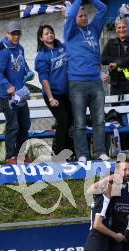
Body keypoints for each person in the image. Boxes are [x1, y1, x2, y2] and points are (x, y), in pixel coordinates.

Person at [64, 0, 109, 163]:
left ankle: (100, 152)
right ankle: (82, 153)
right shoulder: (70, 32)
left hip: (95, 82)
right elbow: (70, 15)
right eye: (80, 16)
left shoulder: (94, 28)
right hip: (77, 83)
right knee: (80, 121)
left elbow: (103, 8)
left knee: (99, 120)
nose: (83, 18)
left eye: (85, 15)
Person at [0, 21, 34, 164]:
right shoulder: (3, 50)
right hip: (6, 95)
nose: (16, 36)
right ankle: (10, 156)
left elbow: (23, 65)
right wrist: (7, 85)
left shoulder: (20, 48)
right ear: (7, 34)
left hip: (20, 93)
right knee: (13, 124)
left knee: (25, 124)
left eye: (18, 33)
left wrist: (28, 72)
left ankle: (21, 154)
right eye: (13, 33)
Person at [101, 17, 129, 152]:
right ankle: (124, 150)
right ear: (115, 29)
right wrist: (120, 62)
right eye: (119, 27)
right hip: (116, 84)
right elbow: (103, 58)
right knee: (117, 118)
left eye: (124, 27)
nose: (121, 30)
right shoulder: (111, 43)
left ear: (128, 28)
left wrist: (117, 63)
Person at [35, 24, 74, 156]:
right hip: (53, 94)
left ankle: (69, 153)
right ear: (41, 38)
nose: (50, 35)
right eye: (46, 33)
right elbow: (44, 79)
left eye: (51, 32)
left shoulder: (62, 47)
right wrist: (51, 98)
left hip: (67, 92)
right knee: (63, 120)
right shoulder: (41, 56)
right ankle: (57, 155)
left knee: (71, 121)